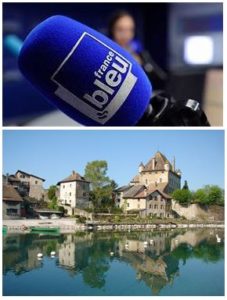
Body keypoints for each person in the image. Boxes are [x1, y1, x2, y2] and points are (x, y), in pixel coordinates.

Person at [108, 10, 167, 89]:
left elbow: (161, 78)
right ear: (112, 30)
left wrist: (143, 64)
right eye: (120, 30)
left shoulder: (140, 54)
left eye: (130, 30)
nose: (126, 35)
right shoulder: (107, 55)